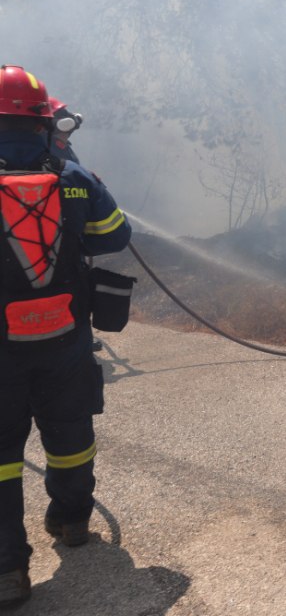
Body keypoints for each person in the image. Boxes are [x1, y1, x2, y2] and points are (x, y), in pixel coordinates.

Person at [0, 65, 131, 608]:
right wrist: (76, 191)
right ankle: (73, 521)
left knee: (3, 459)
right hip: (65, 339)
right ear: (43, 121)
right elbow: (116, 233)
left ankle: (7, 571)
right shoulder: (73, 178)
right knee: (72, 438)